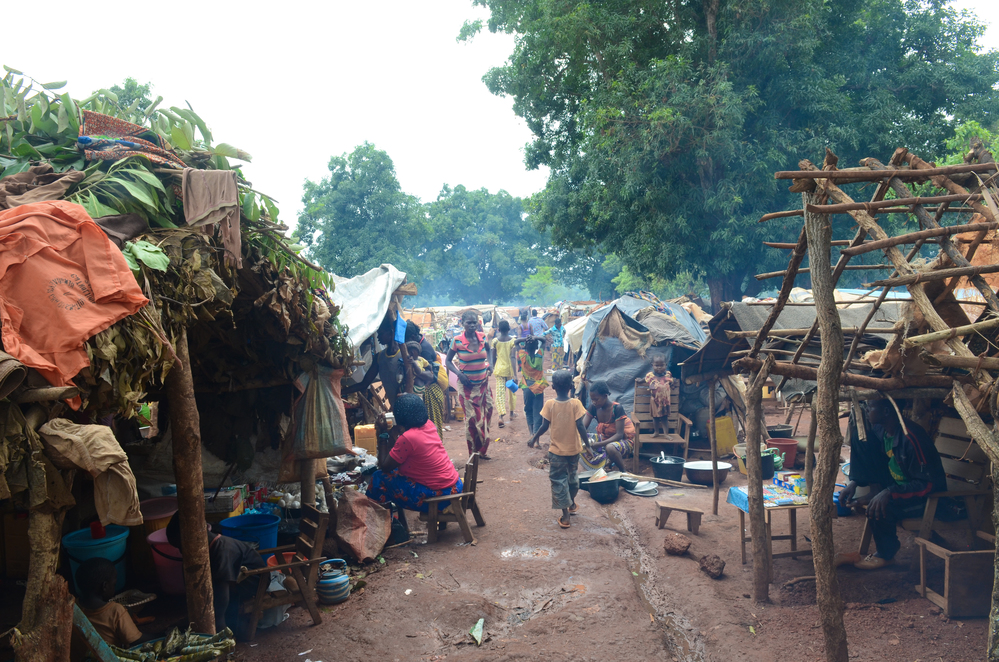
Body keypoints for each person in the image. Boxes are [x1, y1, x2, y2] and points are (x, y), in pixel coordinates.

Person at [838, 399, 949, 570]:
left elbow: (927, 485)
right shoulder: (882, 430)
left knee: (881, 506)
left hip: (926, 499)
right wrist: (855, 482)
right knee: (860, 437)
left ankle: (886, 554)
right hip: (899, 485)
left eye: (871, 406)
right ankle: (876, 494)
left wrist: (889, 493)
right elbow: (871, 456)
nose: (867, 410)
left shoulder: (911, 438)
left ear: (886, 412)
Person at [166, 512, 266, 636]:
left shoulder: (222, 550)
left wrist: (219, 623)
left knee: (220, 601)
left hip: (253, 583)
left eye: (181, 547)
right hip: (234, 580)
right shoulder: (211, 546)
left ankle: (223, 627)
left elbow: (222, 594)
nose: (181, 551)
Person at [366, 394, 462, 512]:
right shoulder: (428, 424)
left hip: (440, 497)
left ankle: (381, 522)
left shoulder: (408, 438)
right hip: (454, 487)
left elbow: (384, 466)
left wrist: (383, 434)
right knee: (395, 471)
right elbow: (394, 457)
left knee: (378, 478)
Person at [528, 370, 591, 529]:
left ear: (553, 386)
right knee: (572, 479)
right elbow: (581, 427)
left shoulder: (549, 404)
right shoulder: (576, 403)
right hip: (574, 452)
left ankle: (565, 515)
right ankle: (570, 503)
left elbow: (543, 426)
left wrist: (534, 438)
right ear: (571, 386)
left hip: (556, 453)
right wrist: (588, 446)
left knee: (558, 482)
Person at [71, 558, 143, 658]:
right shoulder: (116, 610)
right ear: (104, 586)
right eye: (113, 584)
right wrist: (161, 634)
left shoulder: (72, 608)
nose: (114, 586)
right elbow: (135, 640)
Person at [446, 310, 494, 459]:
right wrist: (458, 373)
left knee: (487, 413)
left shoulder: (482, 337)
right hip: (466, 387)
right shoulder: (457, 341)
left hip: (483, 384)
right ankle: (473, 452)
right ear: (462, 323)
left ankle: (482, 450)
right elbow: (448, 361)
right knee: (472, 419)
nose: (472, 325)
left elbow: (489, 350)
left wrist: (490, 364)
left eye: (474, 322)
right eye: (469, 322)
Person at [344, 313, 406, 407]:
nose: (378, 337)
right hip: (395, 406)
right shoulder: (379, 357)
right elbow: (364, 384)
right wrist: (341, 391)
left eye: (381, 334)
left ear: (391, 332)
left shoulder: (404, 355)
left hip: (407, 404)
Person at [582, 381, 637, 473]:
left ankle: (623, 472)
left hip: (624, 439)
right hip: (605, 438)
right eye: (592, 400)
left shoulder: (617, 408)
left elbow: (619, 434)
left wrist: (598, 444)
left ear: (605, 396)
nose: (594, 402)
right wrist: (585, 442)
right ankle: (597, 467)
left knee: (610, 447)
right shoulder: (593, 407)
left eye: (596, 399)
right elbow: (582, 427)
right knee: (579, 439)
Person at [407, 341, 446, 438]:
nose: (411, 353)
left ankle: (434, 440)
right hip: (416, 390)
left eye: (414, 351)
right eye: (409, 351)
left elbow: (424, 371)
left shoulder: (420, 361)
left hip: (422, 391)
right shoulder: (406, 362)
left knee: (429, 422)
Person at [490, 320, 518, 428]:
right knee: (512, 392)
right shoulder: (513, 341)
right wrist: (515, 374)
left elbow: (493, 356)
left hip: (499, 370)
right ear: (509, 329)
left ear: (499, 330)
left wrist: (492, 367)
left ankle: (501, 416)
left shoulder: (495, 341)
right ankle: (511, 413)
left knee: (500, 393)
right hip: (510, 370)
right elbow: (513, 357)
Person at [518, 337, 548, 434]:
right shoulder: (539, 356)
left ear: (525, 347)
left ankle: (531, 433)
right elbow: (544, 341)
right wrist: (535, 337)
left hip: (527, 387)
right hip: (538, 388)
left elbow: (515, 342)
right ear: (536, 347)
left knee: (528, 410)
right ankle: (536, 438)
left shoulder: (523, 356)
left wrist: (526, 338)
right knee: (538, 412)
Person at [644, 355, 674, 438]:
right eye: (657, 365)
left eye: (662, 365)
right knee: (655, 418)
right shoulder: (650, 376)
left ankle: (666, 434)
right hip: (655, 400)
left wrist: (673, 384)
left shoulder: (668, 375)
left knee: (665, 418)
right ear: (652, 365)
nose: (659, 368)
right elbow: (645, 380)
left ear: (666, 364)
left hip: (665, 401)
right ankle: (656, 432)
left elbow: (671, 383)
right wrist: (640, 380)